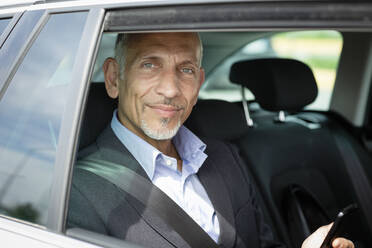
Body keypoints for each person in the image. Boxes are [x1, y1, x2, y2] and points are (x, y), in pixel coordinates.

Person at [68, 32, 354, 248]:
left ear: (199, 83)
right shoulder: (77, 194)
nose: (170, 89)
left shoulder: (224, 156)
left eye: (186, 69)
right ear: (114, 78)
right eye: (149, 65)